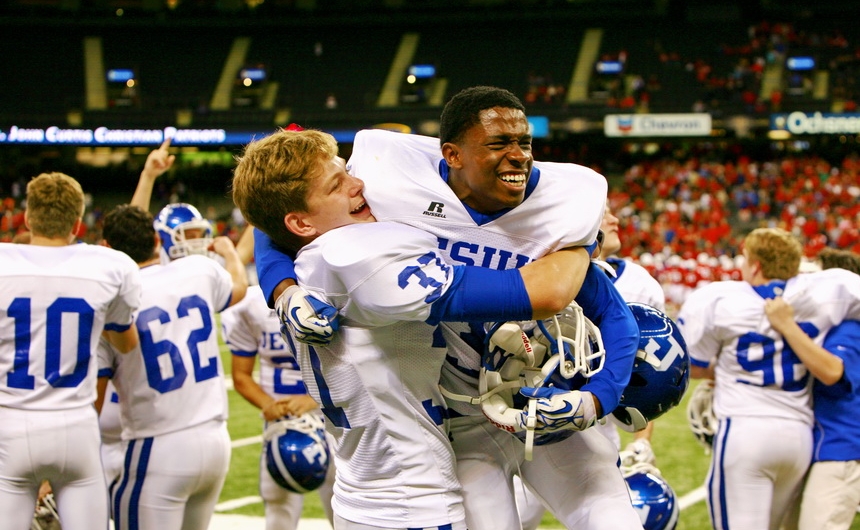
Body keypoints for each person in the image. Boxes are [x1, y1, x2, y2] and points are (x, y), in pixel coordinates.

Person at [250, 86, 641, 529]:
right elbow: (273, 211)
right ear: (454, 155)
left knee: (611, 518)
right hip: (460, 421)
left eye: (524, 143)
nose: (518, 156)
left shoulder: (565, 203)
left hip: (541, 394)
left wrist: (595, 399)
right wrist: (282, 287)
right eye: (497, 144)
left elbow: (612, 312)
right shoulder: (385, 186)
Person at [677, 227, 860, 530]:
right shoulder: (822, 295)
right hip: (799, 437)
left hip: (746, 430)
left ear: (756, 264)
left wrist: (723, 368)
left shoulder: (721, 298)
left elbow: (690, 363)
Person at [0, 172, 141, 530]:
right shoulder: (110, 266)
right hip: (76, 427)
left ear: (28, 218)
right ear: (78, 224)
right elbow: (126, 343)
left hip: (11, 424)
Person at [516, 202, 667, 530]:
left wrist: (642, 440)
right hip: (518, 416)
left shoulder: (637, 284)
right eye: (604, 212)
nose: (615, 219)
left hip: (594, 422)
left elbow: (647, 377)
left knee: (604, 510)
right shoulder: (539, 264)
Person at [98, 203, 248, 530]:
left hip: (158, 443)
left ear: (107, 249)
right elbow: (238, 288)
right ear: (155, 239)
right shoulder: (198, 270)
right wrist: (230, 253)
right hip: (214, 439)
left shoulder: (113, 300)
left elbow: (95, 395)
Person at [220, 228, 335, 530]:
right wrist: (268, 405)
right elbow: (241, 376)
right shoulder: (251, 305)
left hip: (335, 415)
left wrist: (314, 400)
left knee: (344, 500)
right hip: (280, 420)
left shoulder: (331, 292)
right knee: (278, 501)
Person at [763, 247, 860, 530]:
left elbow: (832, 371)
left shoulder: (850, 327)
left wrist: (787, 325)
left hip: (838, 449)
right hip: (816, 446)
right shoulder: (828, 327)